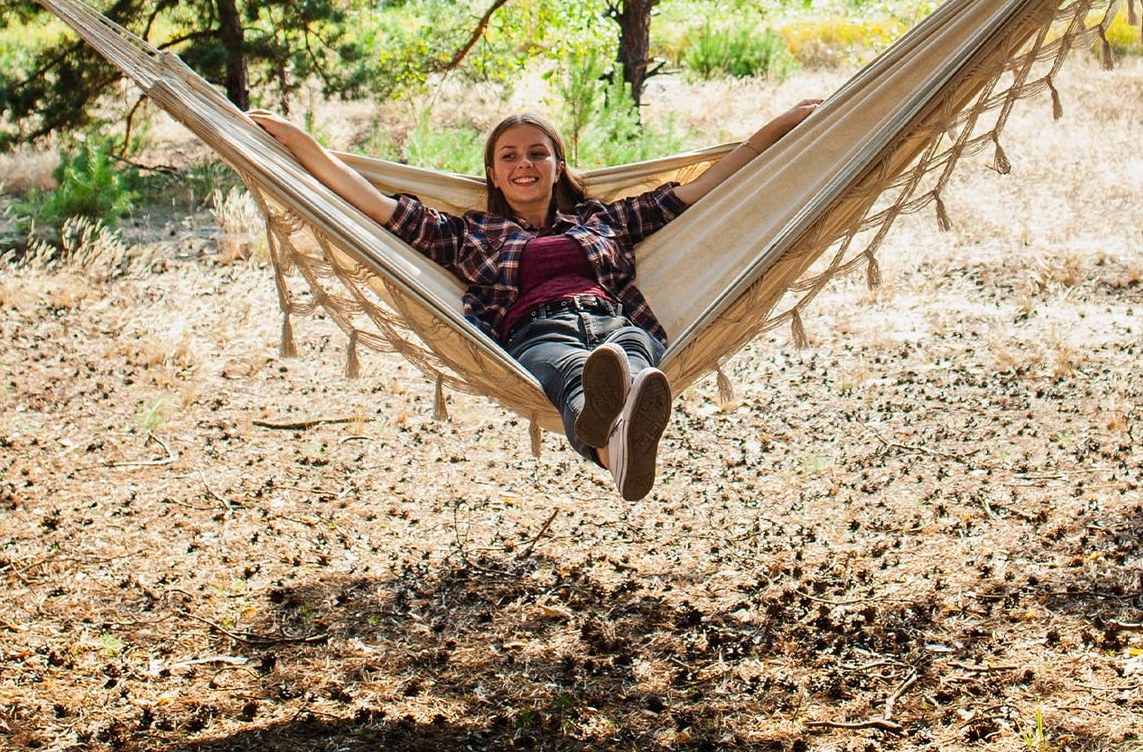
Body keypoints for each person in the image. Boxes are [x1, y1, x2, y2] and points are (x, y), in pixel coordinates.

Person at [249, 99, 818, 501]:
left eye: (538, 153)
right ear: (493, 175)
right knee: (578, 373)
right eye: (510, 156)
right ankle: (620, 439)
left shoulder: (604, 218)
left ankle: (615, 454)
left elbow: (704, 187)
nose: (525, 164)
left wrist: (778, 128)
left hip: (613, 319)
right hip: (536, 331)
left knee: (632, 360)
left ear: (558, 165)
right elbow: (376, 206)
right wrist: (303, 144)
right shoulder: (468, 234)